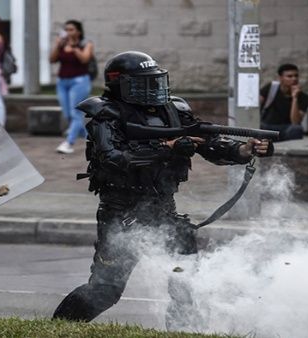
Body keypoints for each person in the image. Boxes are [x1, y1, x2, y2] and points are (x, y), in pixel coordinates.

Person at [52, 51, 274, 323]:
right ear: (121, 84)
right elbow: (113, 160)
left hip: (165, 212)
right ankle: (59, 328)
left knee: (186, 284)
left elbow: (208, 141)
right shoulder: (106, 115)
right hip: (122, 216)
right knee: (105, 290)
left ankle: (181, 330)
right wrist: (164, 148)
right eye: (142, 83)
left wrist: (242, 149)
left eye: (154, 82)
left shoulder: (174, 110)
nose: (152, 90)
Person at [50, 20, 94, 154]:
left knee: (76, 113)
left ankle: (68, 143)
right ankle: (92, 138)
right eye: (66, 29)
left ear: (78, 31)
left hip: (79, 82)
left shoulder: (86, 43)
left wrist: (75, 48)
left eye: (71, 29)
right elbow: (52, 59)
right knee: (68, 113)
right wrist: (57, 45)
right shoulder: (62, 44)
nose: (68, 32)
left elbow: (85, 59)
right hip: (62, 82)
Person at [260, 63, 308, 141]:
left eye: (296, 76)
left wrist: (295, 98)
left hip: (287, 128)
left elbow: (295, 122)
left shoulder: (304, 97)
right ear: (281, 78)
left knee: (297, 129)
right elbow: (256, 105)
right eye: (289, 76)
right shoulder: (271, 88)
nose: (294, 79)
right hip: (267, 127)